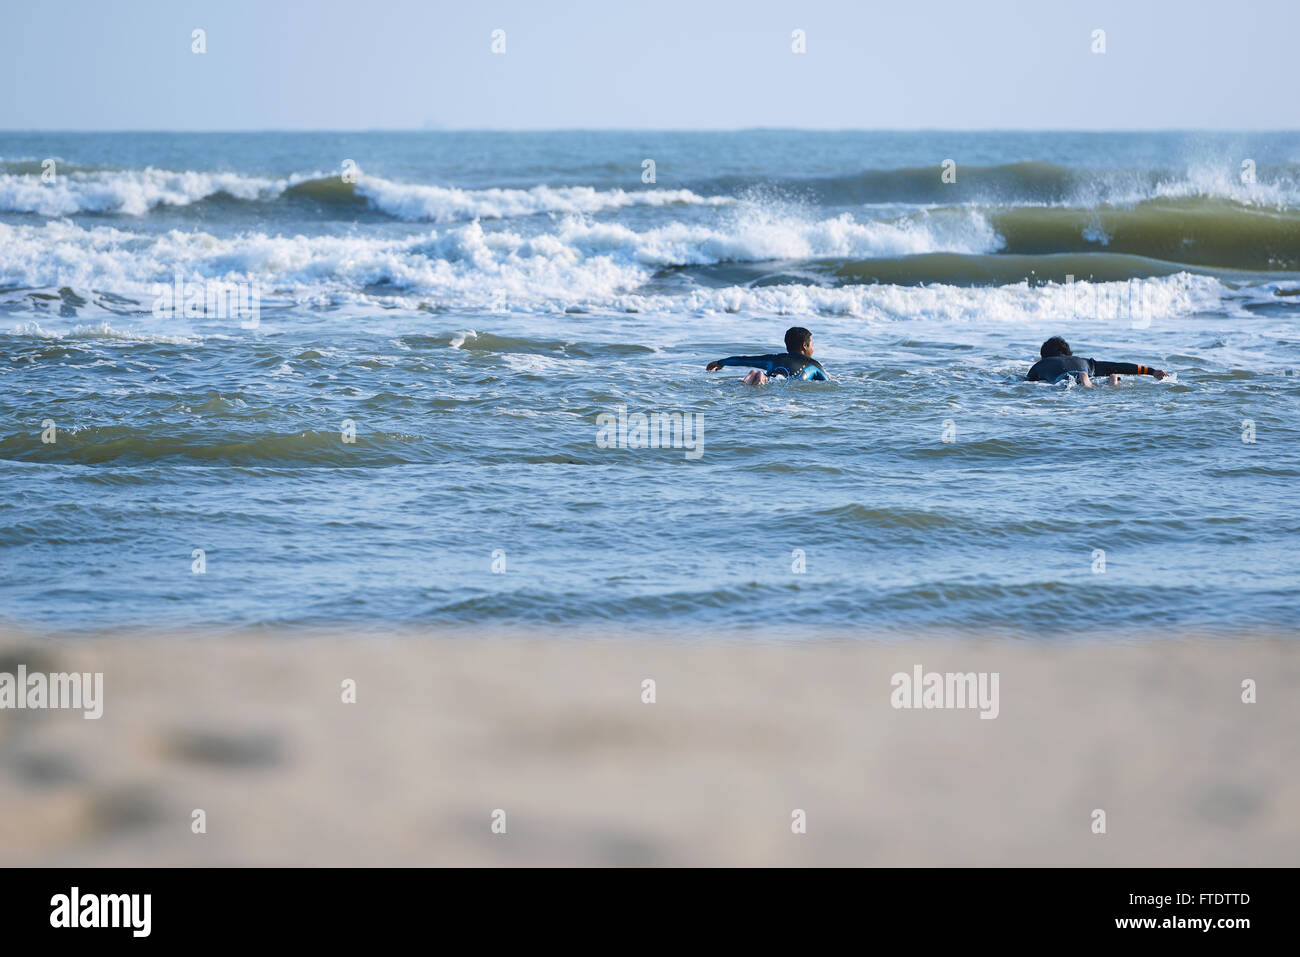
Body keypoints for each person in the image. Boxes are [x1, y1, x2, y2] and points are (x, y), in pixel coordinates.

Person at [705, 326, 828, 385]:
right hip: (787, 384)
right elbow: (829, 384)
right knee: (780, 382)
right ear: (804, 346)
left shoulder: (774, 358)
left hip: (773, 378)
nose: (813, 348)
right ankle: (760, 377)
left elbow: (745, 360)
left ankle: (758, 375)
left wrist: (721, 362)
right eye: (812, 344)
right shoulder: (814, 365)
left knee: (771, 379)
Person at [1026, 336, 1168, 387]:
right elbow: (1118, 366)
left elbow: (1026, 382)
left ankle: (1084, 379)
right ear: (1068, 353)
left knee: (1074, 381)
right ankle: (1111, 380)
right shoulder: (1085, 361)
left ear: (1045, 356)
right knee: (1099, 382)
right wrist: (1151, 371)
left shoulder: (1041, 365)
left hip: (1065, 378)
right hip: (1087, 371)